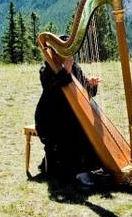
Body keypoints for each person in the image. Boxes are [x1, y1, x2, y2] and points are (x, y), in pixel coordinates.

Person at [34, 38, 103, 187]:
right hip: (50, 117)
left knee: (87, 124)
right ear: (56, 52)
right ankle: (79, 171)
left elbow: (86, 92)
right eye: (64, 51)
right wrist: (65, 70)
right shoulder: (46, 69)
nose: (68, 55)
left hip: (70, 115)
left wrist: (91, 84)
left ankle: (93, 165)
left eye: (69, 51)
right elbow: (53, 92)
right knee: (73, 128)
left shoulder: (75, 68)